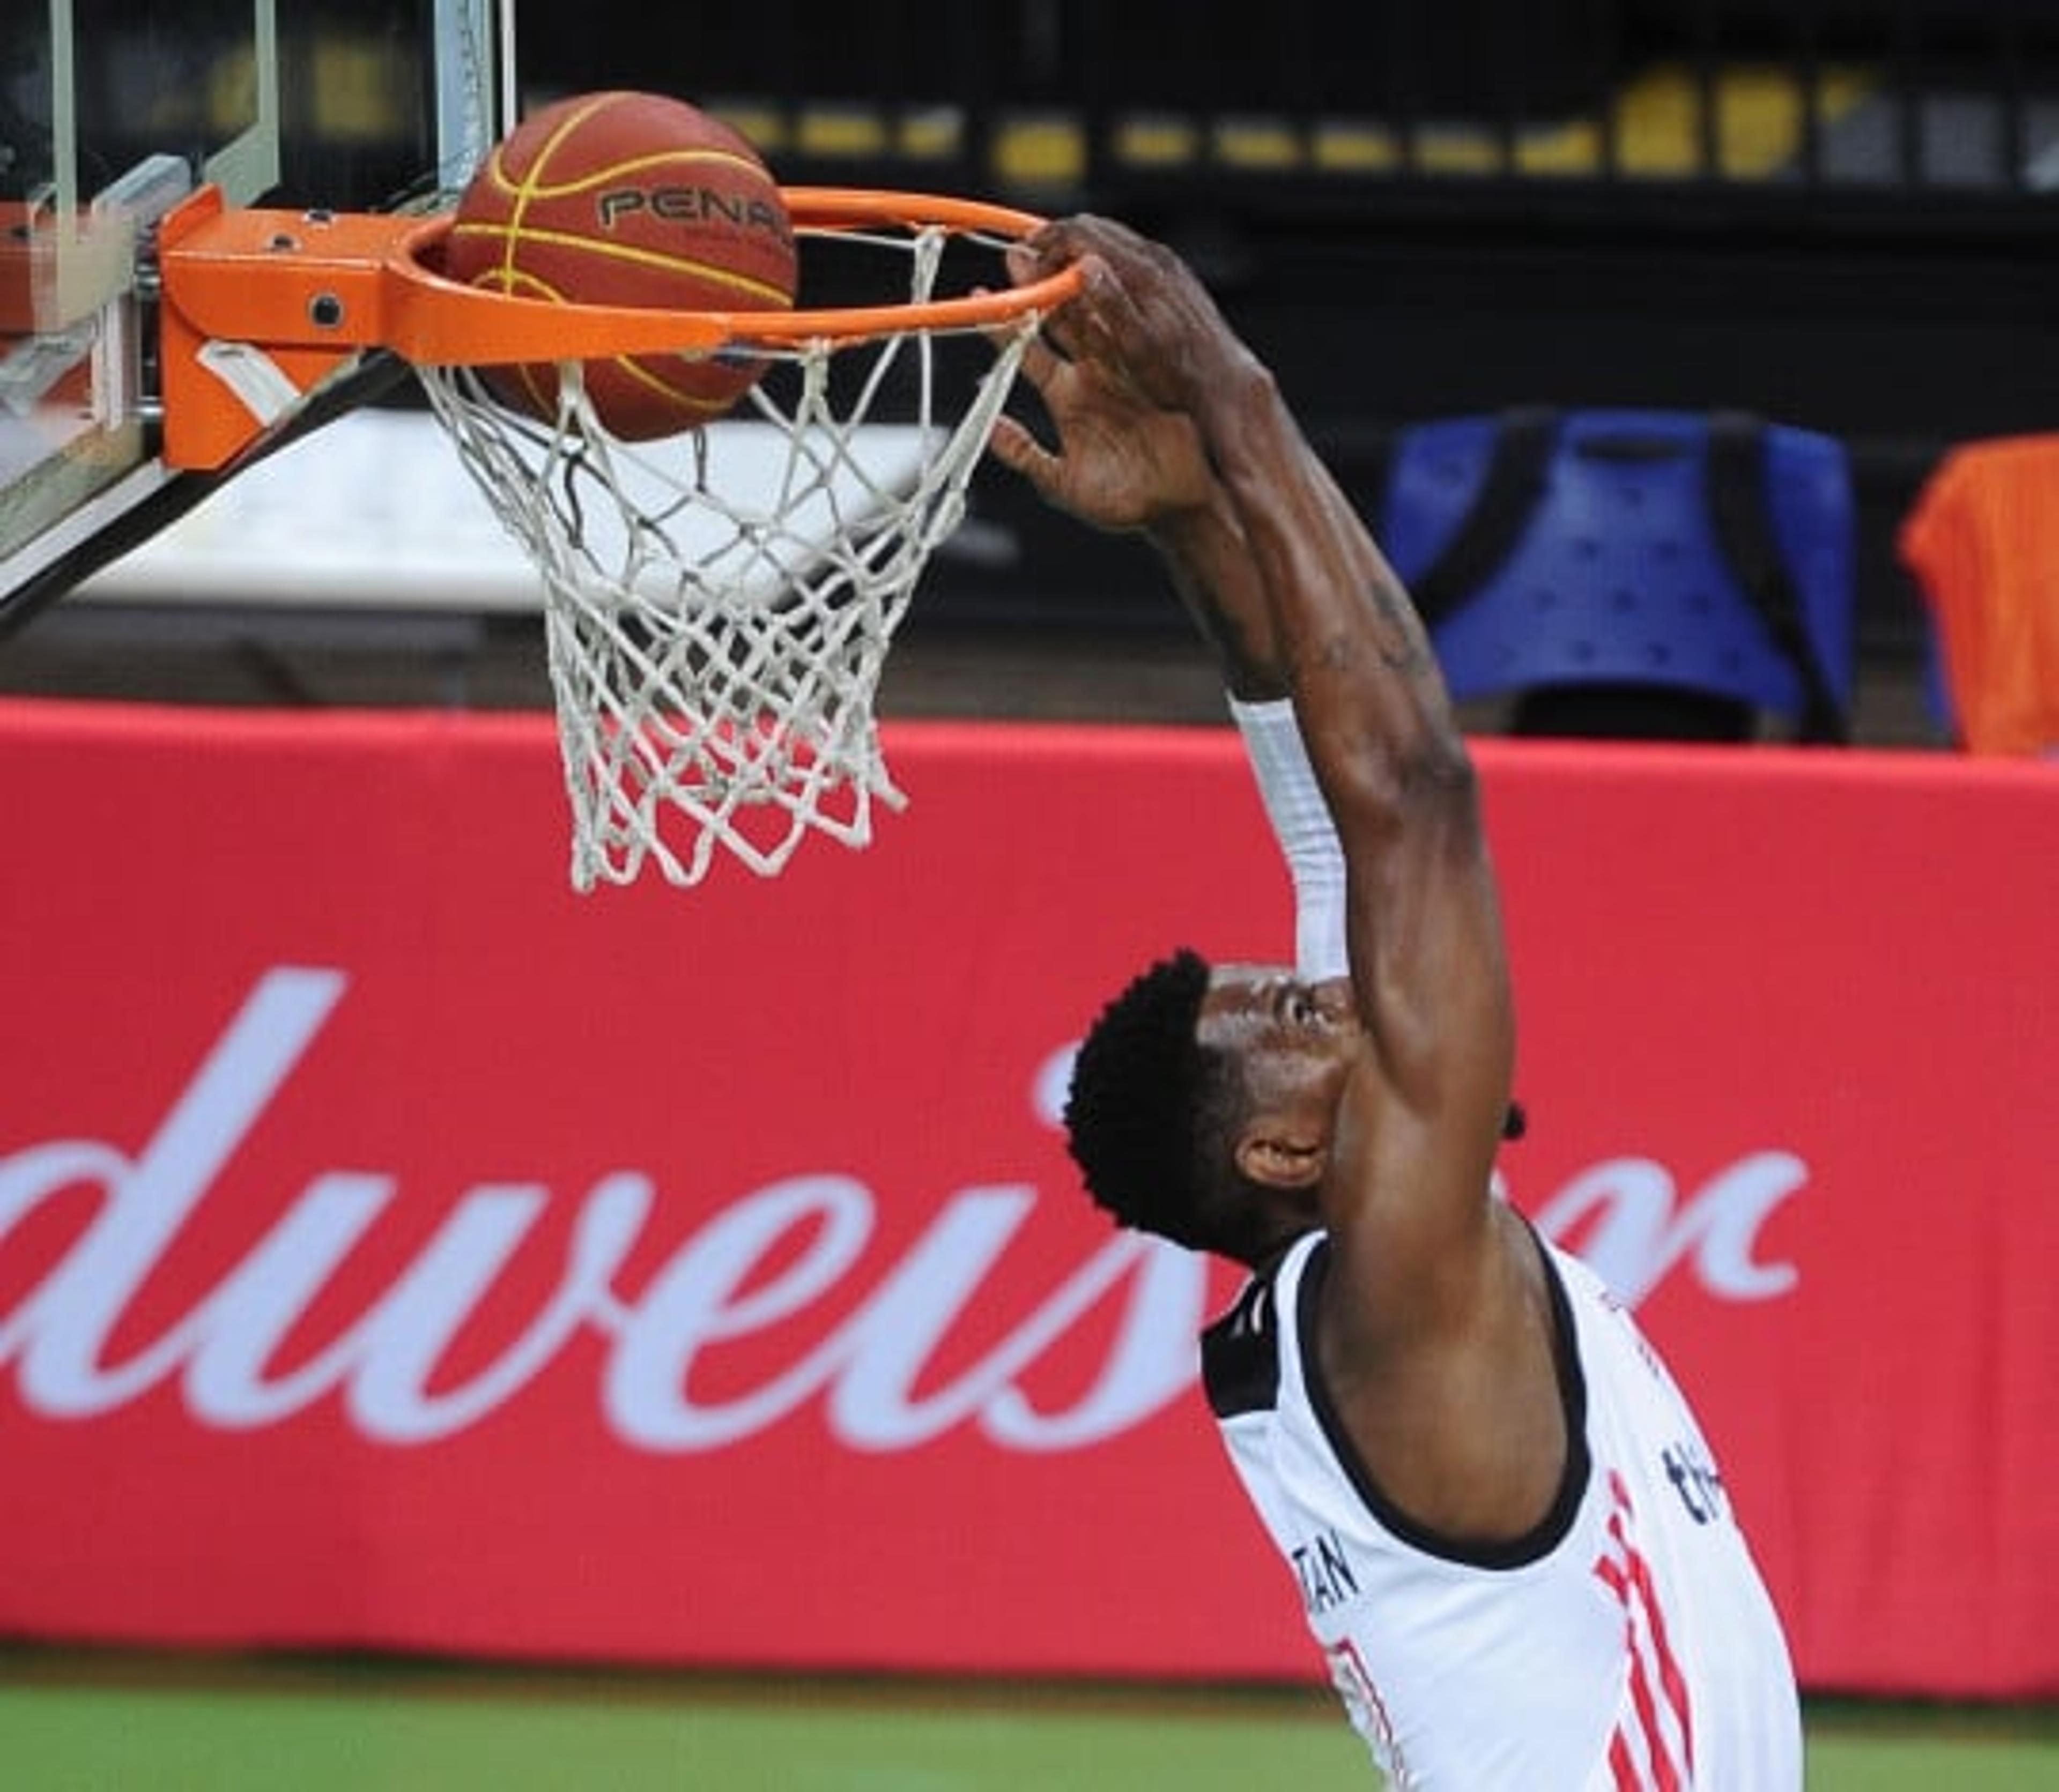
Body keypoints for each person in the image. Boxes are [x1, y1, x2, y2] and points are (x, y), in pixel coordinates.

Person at [989, 216, 1801, 1789]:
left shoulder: (1351, 1276)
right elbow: (1412, 793)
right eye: (1292, 1021)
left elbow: (1320, 805)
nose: (1331, 998)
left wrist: (1188, 522)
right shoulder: (1393, 1289)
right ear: (1286, 1157)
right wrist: (1236, 401)